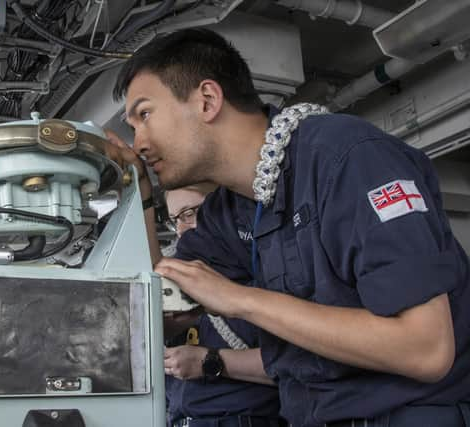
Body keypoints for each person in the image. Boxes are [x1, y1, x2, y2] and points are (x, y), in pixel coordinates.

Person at [110, 28, 470, 427]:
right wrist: (136, 190)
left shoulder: (347, 157)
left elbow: (426, 349)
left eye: (144, 115)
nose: (138, 142)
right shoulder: (228, 212)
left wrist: (240, 299)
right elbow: (153, 302)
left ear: (207, 100)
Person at [160, 183, 283, 427]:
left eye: (189, 213)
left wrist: (211, 361)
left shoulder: (258, 277)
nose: (183, 229)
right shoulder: (174, 281)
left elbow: (297, 365)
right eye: (175, 220)